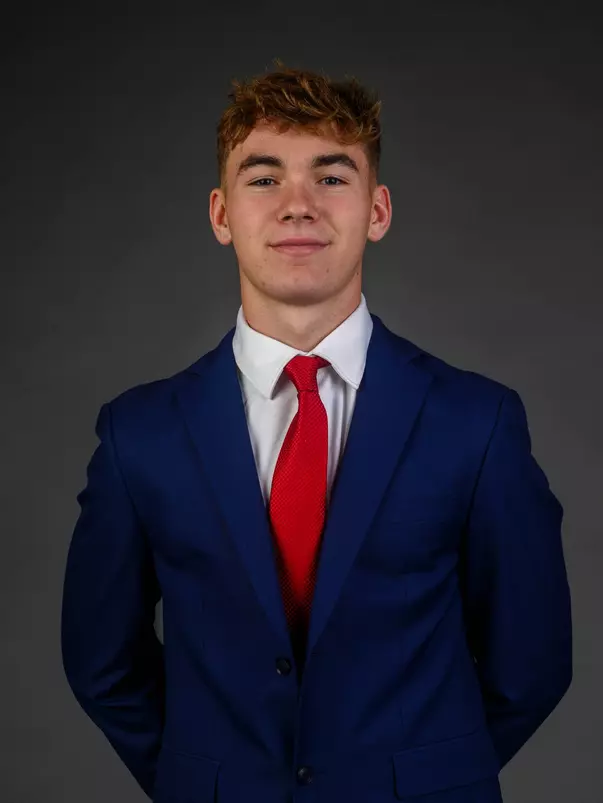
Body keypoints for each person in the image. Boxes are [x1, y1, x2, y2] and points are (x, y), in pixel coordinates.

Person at [60, 61, 572, 803]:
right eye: (263, 178)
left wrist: (423, 775)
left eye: (331, 177)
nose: (298, 205)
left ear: (377, 210)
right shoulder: (139, 434)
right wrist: (200, 778)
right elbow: (101, 661)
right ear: (220, 213)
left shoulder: (477, 421)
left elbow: (531, 661)